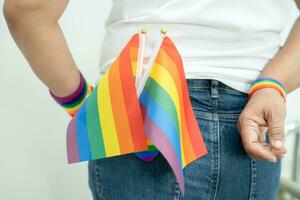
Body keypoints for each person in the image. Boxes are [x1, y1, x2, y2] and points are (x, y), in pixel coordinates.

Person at [3, 0, 300, 199]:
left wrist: (80, 103)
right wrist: (271, 85)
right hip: (252, 119)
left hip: (140, 113)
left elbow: (28, 9)